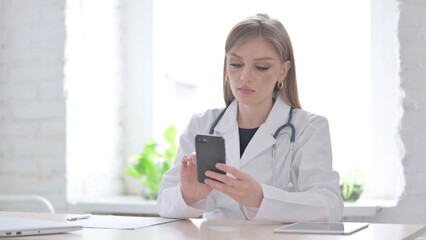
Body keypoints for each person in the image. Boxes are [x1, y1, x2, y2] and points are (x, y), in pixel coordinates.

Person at [157, 13, 343, 222]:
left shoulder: (308, 128)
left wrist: (262, 199)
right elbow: (164, 202)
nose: (245, 76)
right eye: (236, 64)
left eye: (261, 67)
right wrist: (188, 196)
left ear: (283, 71)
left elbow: (329, 207)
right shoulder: (202, 124)